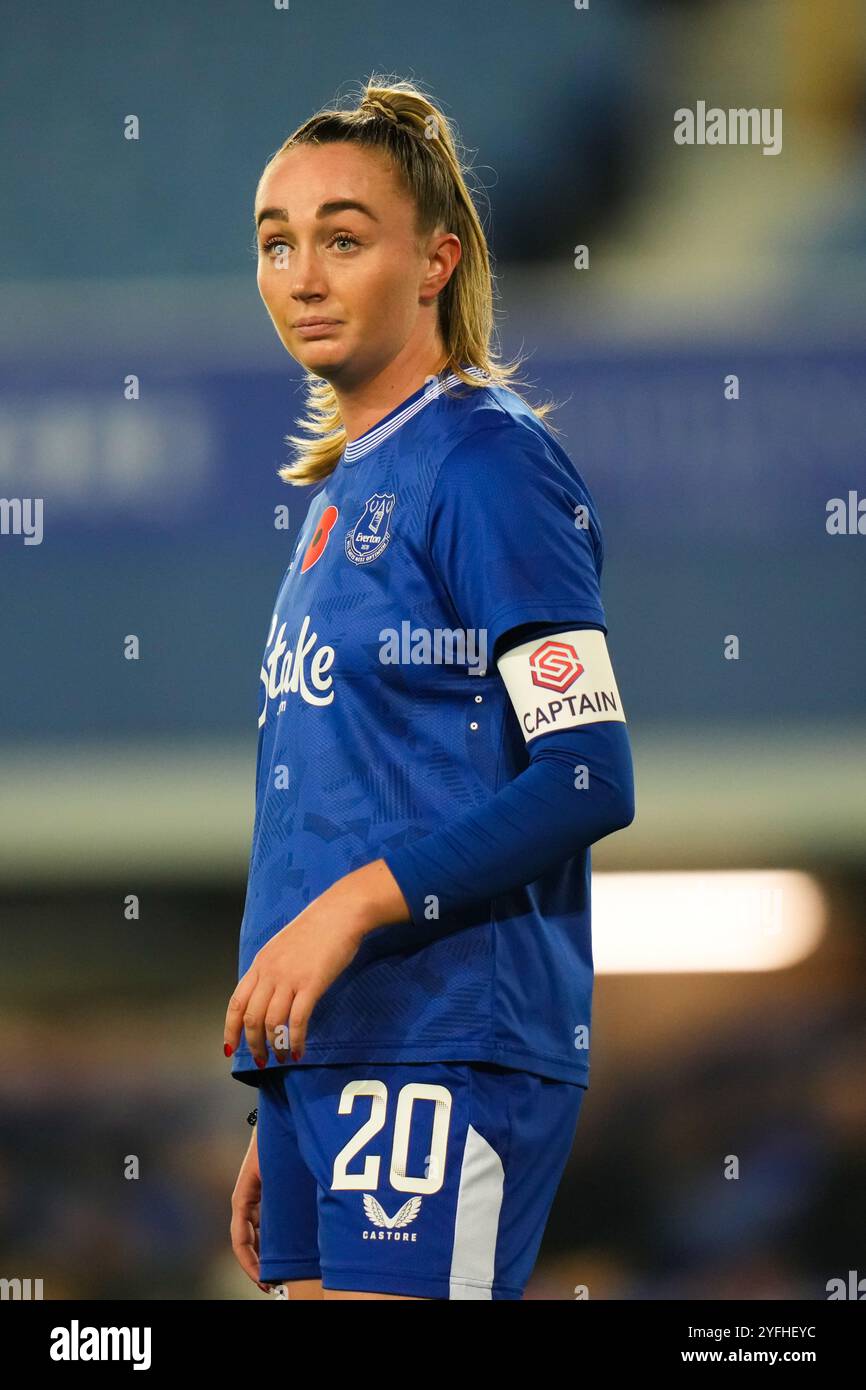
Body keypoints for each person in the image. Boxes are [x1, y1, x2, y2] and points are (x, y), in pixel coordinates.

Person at [224, 76, 635, 1302]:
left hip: (447, 1035)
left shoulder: (490, 463)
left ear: (435, 261)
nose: (302, 273)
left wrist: (352, 908)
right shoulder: (337, 497)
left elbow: (584, 773)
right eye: (277, 242)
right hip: (330, 1058)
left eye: (344, 240)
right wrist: (284, 1093)